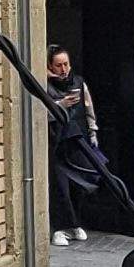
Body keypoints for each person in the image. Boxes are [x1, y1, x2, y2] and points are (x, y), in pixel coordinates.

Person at [44, 47, 96, 246]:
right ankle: (59, 228)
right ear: (50, 66)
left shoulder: (78, 82)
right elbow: (41, 114)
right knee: (60, 186)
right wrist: (61, 104)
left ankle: (75, 224)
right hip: (57, 141)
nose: (63, 69)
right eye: (58, 65)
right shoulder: (45, 85)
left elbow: (89, 108)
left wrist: (93, 132)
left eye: (66, 64)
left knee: (80, 183)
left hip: (78, 138)